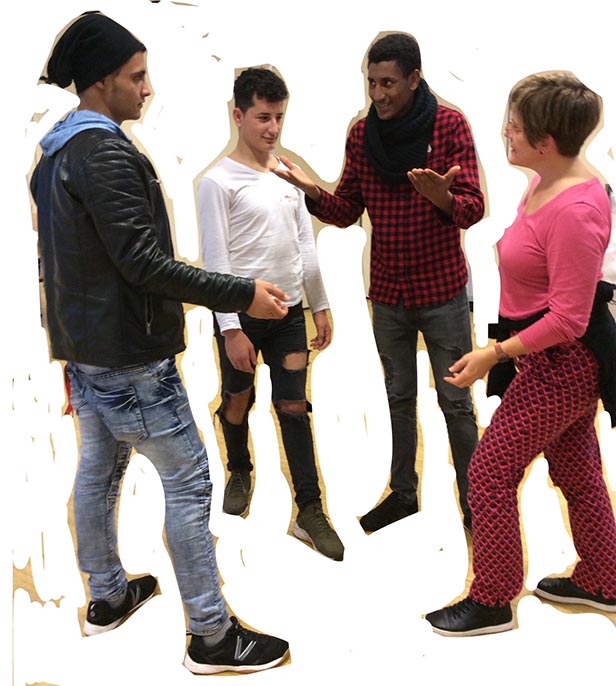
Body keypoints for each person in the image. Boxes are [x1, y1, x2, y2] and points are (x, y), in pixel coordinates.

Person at [30, 11, 290, 674]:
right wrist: (241, 293)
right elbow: (143, 265)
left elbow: (65, 263)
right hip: (131, 359)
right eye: (136, 76)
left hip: (87, 354)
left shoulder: (56, 153)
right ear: (99, 82)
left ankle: (107, 596)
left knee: (98, 469)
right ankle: (211, 635)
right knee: (190, 479)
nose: (147, 89)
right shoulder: (103, 154)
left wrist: (72, 352)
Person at [425, 71, 616, 636]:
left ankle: (492, 599)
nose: (505, 132)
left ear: (546, 142)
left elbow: (570, 318)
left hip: (562, 363)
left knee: (488, 473)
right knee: (577, 472)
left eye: (514, 125)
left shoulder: (576, 209)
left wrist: (494, 353)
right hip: (545, 355)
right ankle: (605, 581)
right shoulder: (544, 180)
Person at [274, 32, 484, 533]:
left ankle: (477, 505)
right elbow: (348, 209)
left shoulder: (449, 125)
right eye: (372, 82)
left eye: (388, 83)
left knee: (456, 403)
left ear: (414, 78)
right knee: (398, 398)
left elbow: (473, 208)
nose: (378, 94)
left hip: (443, 292)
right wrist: (311, 191)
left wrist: (442, 198)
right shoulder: (361, 135)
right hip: (389, 295)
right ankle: (404, 494)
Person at [197, 67, 344, 561]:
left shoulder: (285, 174)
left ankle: (310, 510)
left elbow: (305, 245)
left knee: (293, 407)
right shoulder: (217, 182)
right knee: (238, 400)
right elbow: (215, 262)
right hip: (240, 317)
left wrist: (319, 304)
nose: (273, 128)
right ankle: (239, 469)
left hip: (289, 317)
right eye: (263, 117)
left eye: (279, 116)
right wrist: (230, 330)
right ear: (238, 116)